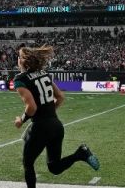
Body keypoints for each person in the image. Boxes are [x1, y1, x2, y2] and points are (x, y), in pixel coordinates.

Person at [13, 45, 100, 188]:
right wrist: (48, 113)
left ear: (23, 61)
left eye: (19, 57)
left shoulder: (20, 79)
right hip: (56, 125)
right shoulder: (44, 74)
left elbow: (32, 107)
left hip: (40, 128)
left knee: (28, 163)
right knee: (54, 167)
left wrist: (21, 120)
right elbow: (60, 97)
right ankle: (81, 153)